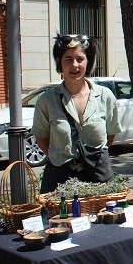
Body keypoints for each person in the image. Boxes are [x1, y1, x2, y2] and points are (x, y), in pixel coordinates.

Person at [32, 34, 121, 193]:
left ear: (88, 61)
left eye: (80, 59)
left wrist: (90, 156)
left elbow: (110, 135)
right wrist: (61, 156)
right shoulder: (46, 101)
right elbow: (42, 138)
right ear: (60, 62)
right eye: (68, 59)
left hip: (98, 176)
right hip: (59, 180)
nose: (74, 65)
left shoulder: (105, 97)